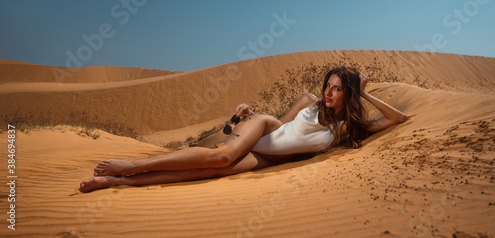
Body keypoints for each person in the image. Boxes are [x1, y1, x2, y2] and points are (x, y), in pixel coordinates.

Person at [79, 66, 407, 193]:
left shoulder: (348, 129)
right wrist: (247, 117)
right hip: (263, 129)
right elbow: (281, 123)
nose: (329, 92)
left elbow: (397, 120)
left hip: (268, 158)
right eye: (329, 85)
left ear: (349, 94)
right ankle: (133, 166)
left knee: (208, 173)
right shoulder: (308, 101)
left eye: (338, 89)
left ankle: (116, 181)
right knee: (221, 158)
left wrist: (365, 93)